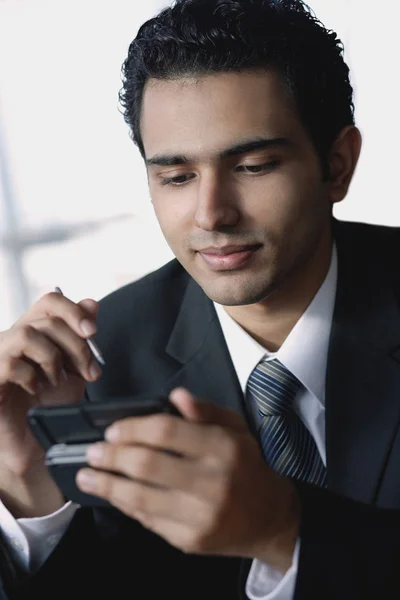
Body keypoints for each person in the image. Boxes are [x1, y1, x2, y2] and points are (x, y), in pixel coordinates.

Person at [0, 0, 400, 598]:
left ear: (337, 165)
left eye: (255, 165)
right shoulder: (92, 365)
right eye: (176, 177)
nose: (211, 214)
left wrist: (287, 532)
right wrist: (30, 489)